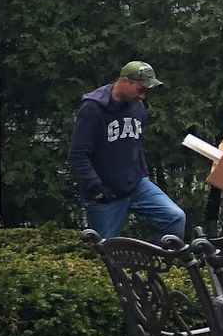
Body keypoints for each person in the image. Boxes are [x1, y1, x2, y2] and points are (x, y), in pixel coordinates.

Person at [68, 61, 186, 240]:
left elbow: (135, 144)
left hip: (136, 185)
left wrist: (141, 172)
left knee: (174, 217)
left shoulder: (137, 107)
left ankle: (163, 265)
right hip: (104, 192)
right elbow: (77, 155)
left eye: (146, 91)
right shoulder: (93, 109)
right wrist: (94, 187)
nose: (143, 96)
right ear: (124, 81)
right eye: (140, 89)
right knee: (104, 249)